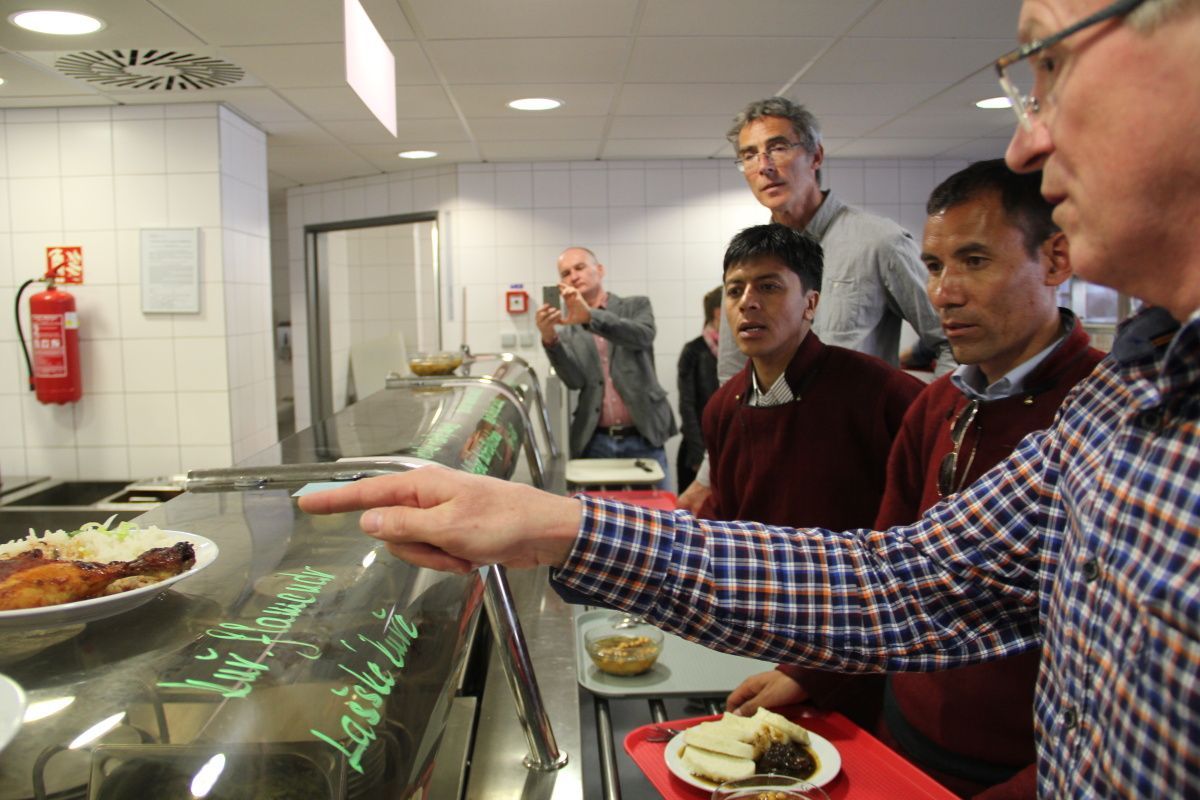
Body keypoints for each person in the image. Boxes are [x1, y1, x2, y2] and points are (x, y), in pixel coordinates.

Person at [299, 0, 1200, 794]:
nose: (1027, 141)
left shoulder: (922, 382)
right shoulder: (1122, 408)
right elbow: (901, 581)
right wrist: (561, 528)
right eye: (737, 291)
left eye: (1051, 62)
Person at [725, 160, 1105, 799]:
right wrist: (810, 673)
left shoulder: (1108, 414)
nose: (944, 293)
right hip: (902, 736)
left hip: (1027, 769)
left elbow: (1129, 689)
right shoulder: (938, 407)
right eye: (933, 266)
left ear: (1055, 260)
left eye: (975, 261)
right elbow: (886, 578)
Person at [678, 96, 954, 514]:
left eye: (778, 148)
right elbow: (733, 377)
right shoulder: (749, 261)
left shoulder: (878, 242)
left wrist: (929, 432)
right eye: (749, 155)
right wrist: (707, 479)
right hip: (771, 473)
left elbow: (951, 340)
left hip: (856, 469)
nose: (764, 166)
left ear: (816, 155)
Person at [701, 224, 922, 527]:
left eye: (768, 287)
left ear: (810, 303)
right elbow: (723, 517)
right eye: (734, 291)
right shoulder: (722, 408)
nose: (747, 303)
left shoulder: (882, 392)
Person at [535, 246, 677, 488]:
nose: (573, 276)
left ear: (599, 270)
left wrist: (590, 317)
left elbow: (642, 336)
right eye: (565, 273)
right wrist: (550, 340)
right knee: (598, 511)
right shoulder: (568, 325)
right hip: (595, 440)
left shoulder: (635, 305)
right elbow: (574, 381)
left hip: (643, 434)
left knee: (655, 509)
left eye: (580, 267)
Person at [675, 286, 721, 491]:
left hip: (729, 449)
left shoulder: (743, 350)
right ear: (718, 312)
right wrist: (699, 456)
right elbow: (687, 406)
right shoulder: (694, 351)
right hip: (697, 451)